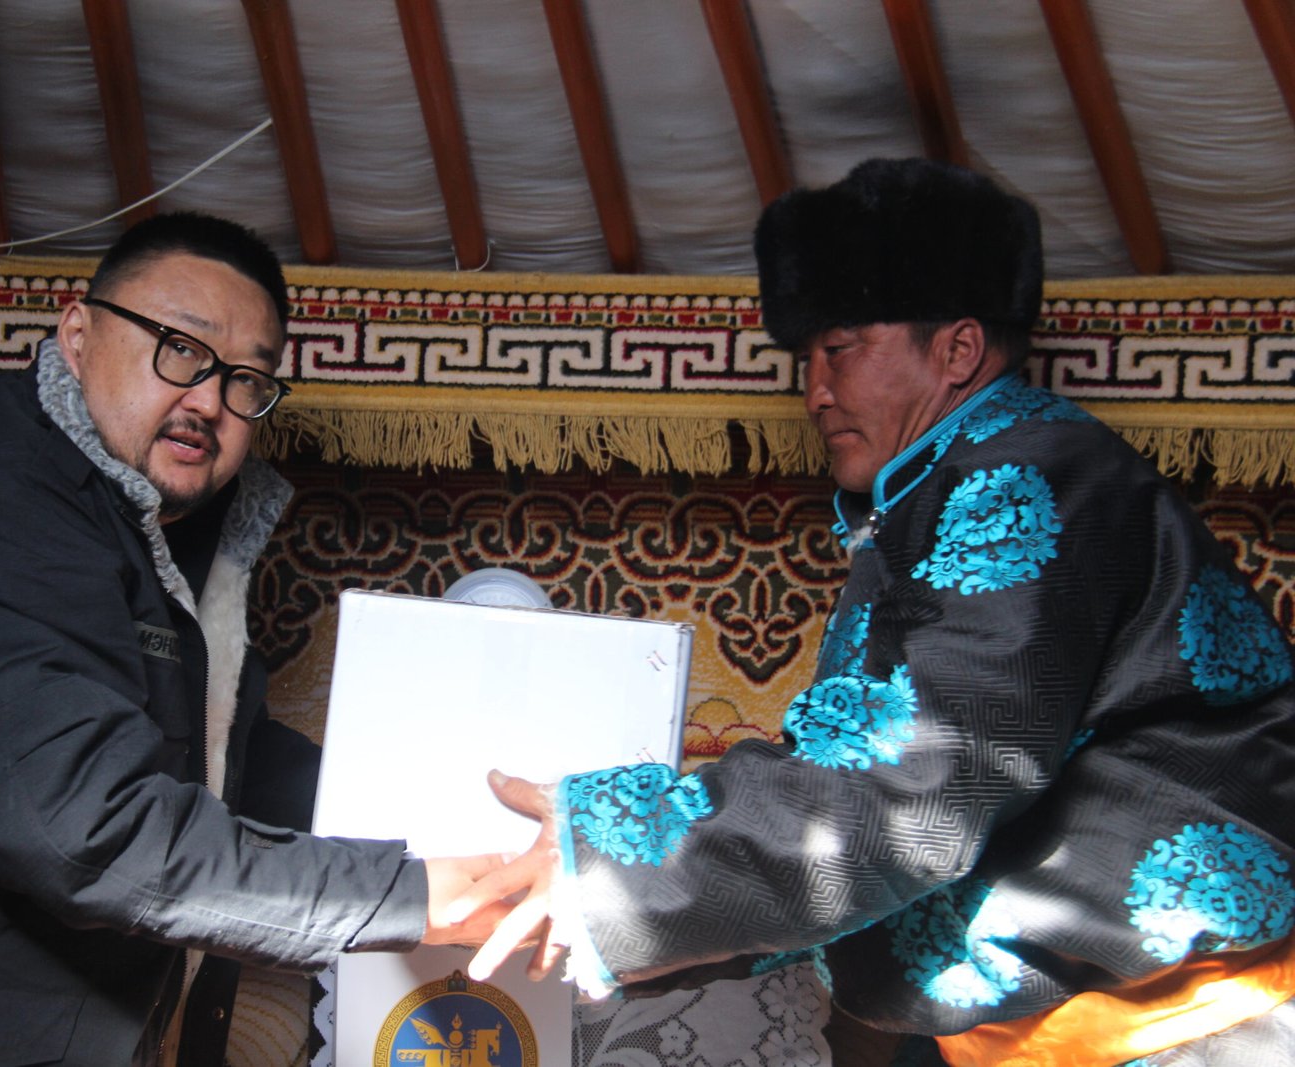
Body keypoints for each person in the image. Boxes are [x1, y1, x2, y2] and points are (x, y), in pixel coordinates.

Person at [456, 159, 1295, 1066]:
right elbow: (860, 787)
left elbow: (916, 785)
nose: (815, 390)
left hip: (1191, 1028)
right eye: (806, 359)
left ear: (958, 351)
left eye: (842, 347)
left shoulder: (1028, 479)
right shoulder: (938, 491)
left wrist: (613, 862)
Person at [0, 211, 507, 1067]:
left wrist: (467, 811)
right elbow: (93, 833)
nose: (208, 400)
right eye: (180, 349)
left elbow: (223, 762)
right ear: (78, 336)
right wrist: (419, 898)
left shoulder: (135, 532)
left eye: (246, 379)